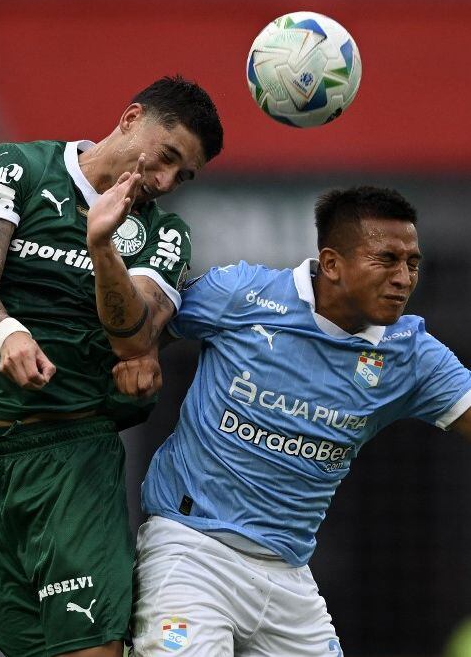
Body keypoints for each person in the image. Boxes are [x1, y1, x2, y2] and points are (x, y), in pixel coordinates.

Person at [112, 186, 471, 656]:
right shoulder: (241, 293)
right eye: (386, 259)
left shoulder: (412, 355)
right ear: (333, 263)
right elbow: (135, 329)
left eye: (413, 263)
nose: (404, 278)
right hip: (191, 551)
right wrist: (139, 353)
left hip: (288, 575)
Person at [0, 75, 223, 657]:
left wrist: (102, 246)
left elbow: (135, 337)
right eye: (167, 157)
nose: (166, 181)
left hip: (75, 455)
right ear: (131, 118)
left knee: (91, 647)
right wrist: (8, 333)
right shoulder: (16, 168)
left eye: (183, 175)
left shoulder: (163, 234)